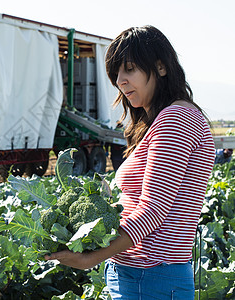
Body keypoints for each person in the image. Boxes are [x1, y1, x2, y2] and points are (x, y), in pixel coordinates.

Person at [45, 25, 215, 299]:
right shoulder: (160, 121)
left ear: (161, 67)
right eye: (116, 73)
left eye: (130, 69)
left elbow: (153, 211)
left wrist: (91, 258)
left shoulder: (176, 118)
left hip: (150, 279)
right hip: (142, 276)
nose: (120, 81)